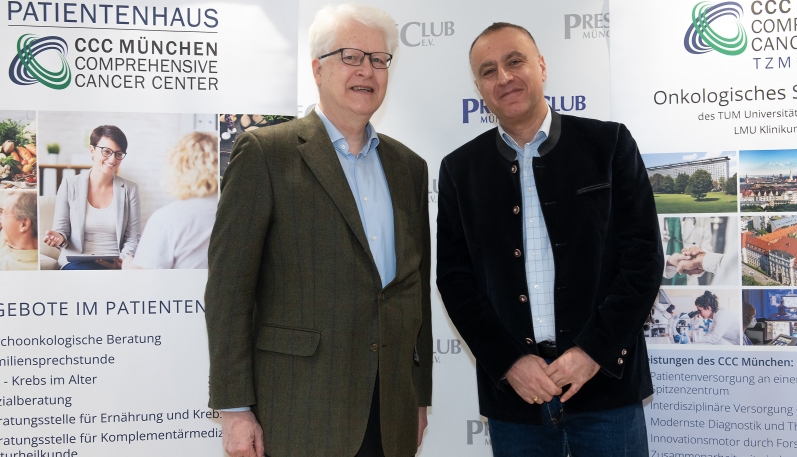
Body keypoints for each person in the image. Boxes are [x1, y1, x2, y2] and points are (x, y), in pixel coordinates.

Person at [205, 4, 432, 457]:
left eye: (378, 59)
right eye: (351, 56)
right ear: (317, 68)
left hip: (391, 412)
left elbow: (413, 289)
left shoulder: (410, 167)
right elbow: (229, 291)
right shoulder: (266, 154)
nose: (366, 70)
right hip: (298, 408)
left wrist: (419, 395)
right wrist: (234, 408)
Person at [435, 23, 662, 456]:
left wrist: (592, 351)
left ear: (541, 65)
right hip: (516, 400)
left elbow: (644, 260)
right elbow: (456, 280)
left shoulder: (609, 144)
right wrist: (509, 362)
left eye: (514, 61)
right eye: (488, 70)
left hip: (605, 390)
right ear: (479, 87)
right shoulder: (460, 170)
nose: (504, 77)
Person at [43, 125, 141, 270]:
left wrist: (121, 261)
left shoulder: (130, 190)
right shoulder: (69, 185)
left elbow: (133, 238)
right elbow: (61, 230)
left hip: (114, 263)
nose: (112, 159)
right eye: (107, 151)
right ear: (92, 150)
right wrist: (59, 238)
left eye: (118, 154)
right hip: (77, 262)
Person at [124, 132, 218, 270]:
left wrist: (128, 265)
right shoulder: (242, 213)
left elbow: (146, 282)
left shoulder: (167, 218)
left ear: (178, 168)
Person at [0, 191, 38, 270]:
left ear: (23, 224)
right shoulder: (6, 236)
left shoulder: (30, 269)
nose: (1, 219)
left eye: (4, 213)